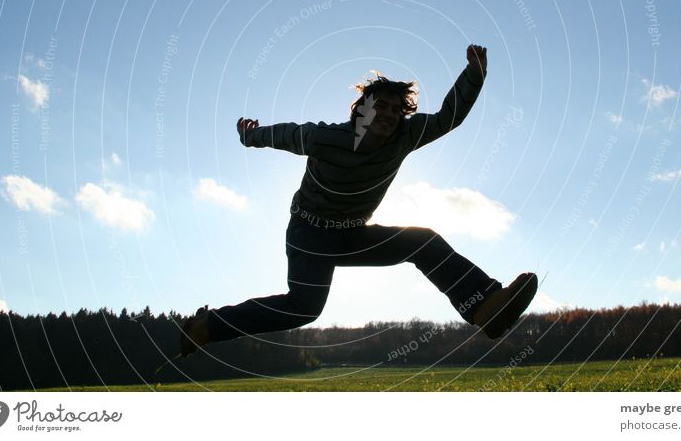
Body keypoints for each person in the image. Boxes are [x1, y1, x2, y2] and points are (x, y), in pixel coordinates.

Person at [180, 44, 537, 355]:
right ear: (360, 110)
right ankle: (209, 327)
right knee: (305, 309)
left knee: (420, 241)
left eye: (397, 110)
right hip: (309, 234)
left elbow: (448, 117)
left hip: (352, 235)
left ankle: (484, 306)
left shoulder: (405, 137)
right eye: (381, 106)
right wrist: (249, 135)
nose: (389, 114)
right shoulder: (324, 138)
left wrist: (474, 75)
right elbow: (282, 135)